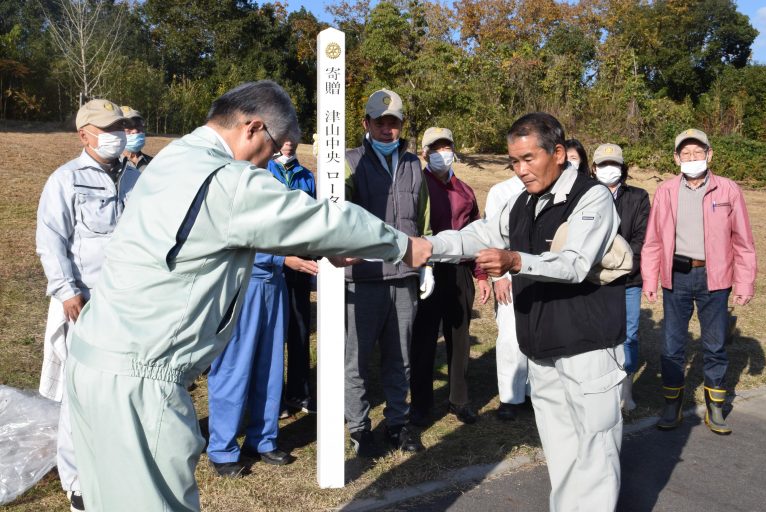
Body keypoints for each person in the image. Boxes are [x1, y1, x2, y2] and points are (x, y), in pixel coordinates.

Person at [65, 81, 432, 512]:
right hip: (141, 382)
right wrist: (402, 245)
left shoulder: (177, 158)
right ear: (253, 128)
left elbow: (216, 230)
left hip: (94, 360)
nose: (271, 160)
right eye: (273, 147)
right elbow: (317, 217)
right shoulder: (226, 178)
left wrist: (317, 248)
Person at [426, 113, 627, 511]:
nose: (520, 170)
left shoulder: (592, 197)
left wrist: (515, 261)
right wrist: (424, 246)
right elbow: (478, 235)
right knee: (562, 455)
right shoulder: (523, 203)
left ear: (557, 153)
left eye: (528, 158)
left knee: (596, 454)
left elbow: (574, 264)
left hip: (587, 347)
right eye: (513, 162)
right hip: (542, 347)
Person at [36, 98, 139, 512]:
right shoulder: (65, 180)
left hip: (129, 306)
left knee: (121, 391)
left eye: (120, 127)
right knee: (80, 393)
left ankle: (114, 466)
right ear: (84, 135)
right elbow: (51, 241)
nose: (117, 135)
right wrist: (67, 292)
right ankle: (76, 479)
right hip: (87, 304)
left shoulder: (134, 178)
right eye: (107, 129)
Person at [641, 128, 756, 435]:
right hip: (676, 276)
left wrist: (744, 284)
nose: (692, 158)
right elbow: (652, 241)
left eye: (698, 152)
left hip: (714, 278)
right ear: (677, 157)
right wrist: (650, 278)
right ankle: (672, 404)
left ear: (709, 154)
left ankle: (715, 407)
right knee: (672, 345)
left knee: (715, 344)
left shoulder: (728, 190)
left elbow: (743, 242)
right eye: (686, 153)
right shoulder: (666, 191)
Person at [344, 88, 431, 457]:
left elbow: (423, 218)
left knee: (401, 358)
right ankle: (359, 428)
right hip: (361, 279)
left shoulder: (414, 165)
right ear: (366, 123)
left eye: (393, 123)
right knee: (356, 359)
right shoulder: (348, 162)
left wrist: (424, 266)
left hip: (403, 277)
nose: (386, 129)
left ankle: (398, 424)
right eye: (379, 122)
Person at [409, 127, 491, 426]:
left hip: (458, 270)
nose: (442, 153)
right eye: (436, 149)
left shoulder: (465, 191)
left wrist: (480, 274)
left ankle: (459, 399)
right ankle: (421, 403)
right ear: (425, 153)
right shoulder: (416, 185)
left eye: (447, 148)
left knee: (460, 337)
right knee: (424, 338)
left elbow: (477, 233)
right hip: (427, 269)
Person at [206, 250, 293, 477]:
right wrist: (279, 258)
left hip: (275, 284)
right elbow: (233, 237)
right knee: (233, 368)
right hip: (241, 283)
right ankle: (222, 450)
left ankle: (262, 440)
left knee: (271, 367)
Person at [591, 143, 650, 410]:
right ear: (594, 168)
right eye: (603, 165)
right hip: (594, 277)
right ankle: (601, 386)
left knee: (630, 334)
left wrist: (622, 261)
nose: (609, 169)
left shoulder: (638, 197)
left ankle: (626, 388)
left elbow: (641, 236)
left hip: (629, 278)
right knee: (597, 332)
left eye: (613, 164)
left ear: (622, 167)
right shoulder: (585, 195)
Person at [267, 141, 319, 415]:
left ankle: (298, 393)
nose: (288, 142)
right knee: (273, 335)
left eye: (293, 136)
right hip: (270, 264)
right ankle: (272, 398)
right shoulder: (263, 171)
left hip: (299, 263)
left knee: (299, 330)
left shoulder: (307, 176)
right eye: (283, 135)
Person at [484, 162, 528, 421]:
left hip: (539, 269)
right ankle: (511, 397)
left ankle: (533, 392)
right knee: (510, 337)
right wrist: (498, 277)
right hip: (509, 273)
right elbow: (492, 237)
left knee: (537, 333)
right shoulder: (501, 191)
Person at [119, 106, 153, 171]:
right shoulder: (111, 166)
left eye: (138, 126)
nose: (135, 131)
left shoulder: (153, 163)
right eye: (128, 126)